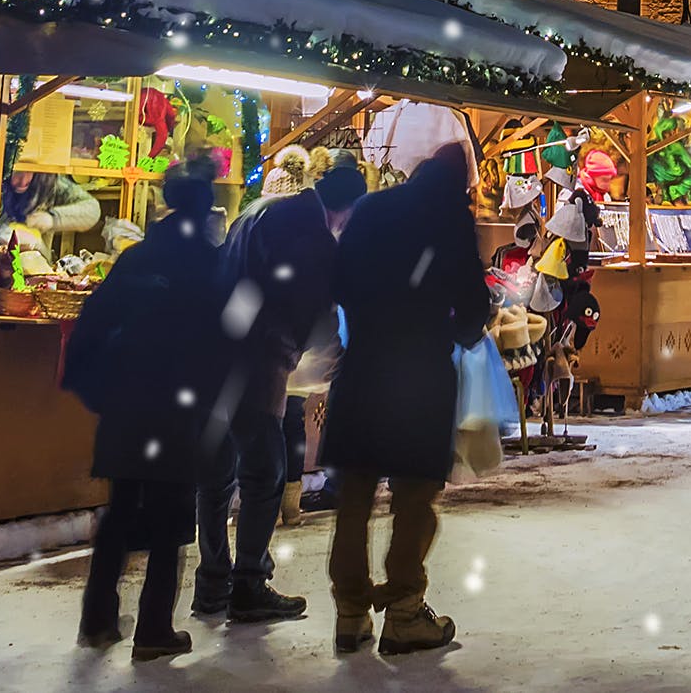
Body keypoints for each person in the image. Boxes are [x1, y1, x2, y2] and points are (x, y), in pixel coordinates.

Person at [322, 146, 490, 657]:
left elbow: (339, 281)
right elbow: (472, 307)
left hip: (364, 369)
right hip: (420, 376)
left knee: (353, 496)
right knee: (414, 498)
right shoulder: (451, 220)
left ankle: (350, 613)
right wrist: (455, 329)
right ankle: (403, 612)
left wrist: (372, 320)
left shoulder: (372, 208)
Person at [67, 163, 236, 659]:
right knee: (170, 521)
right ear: (206, 210)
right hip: (180, 409)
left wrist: (97, 390)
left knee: (121, 511)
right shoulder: (211, 267)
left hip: (127, 404)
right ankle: (154, 629)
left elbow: (91, 325)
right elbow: (230, 336)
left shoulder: (135, 259)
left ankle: (97, 620)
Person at [195, 158, 367, 622]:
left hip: (213, 350)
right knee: (265, 474)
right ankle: (249, 583)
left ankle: (211, 582)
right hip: (256, 361)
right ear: (346, 209)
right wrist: (323, 358)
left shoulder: (258, 212)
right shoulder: (312, 237)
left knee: (216, 473)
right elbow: (310, 314)